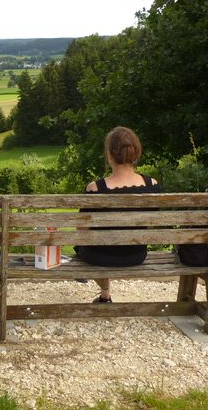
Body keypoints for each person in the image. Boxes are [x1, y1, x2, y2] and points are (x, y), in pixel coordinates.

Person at [75, 126, 161, 303]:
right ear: (136, 153)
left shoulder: (95, 189)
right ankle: (105, 295)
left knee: (85, 247)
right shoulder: (152, 184)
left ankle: (105, 291)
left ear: (110, 155)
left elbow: (81, 228)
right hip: (136, 255)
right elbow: (152, 224)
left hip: (99, 257)